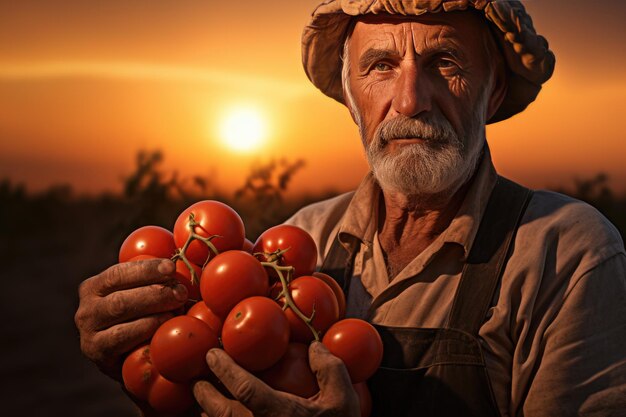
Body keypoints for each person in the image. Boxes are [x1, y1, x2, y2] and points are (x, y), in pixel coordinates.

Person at [74, 1, 626, 416]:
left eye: (444, 61)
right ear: (350, 94)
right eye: (380, 66)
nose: (410, 101)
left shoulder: (570, 254)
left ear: (495, 88)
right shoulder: (296, 239)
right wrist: (151, 369)